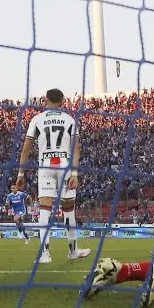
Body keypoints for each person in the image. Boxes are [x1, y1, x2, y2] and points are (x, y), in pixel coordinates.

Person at [17, 89, 91, 264]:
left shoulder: (37, 120)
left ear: (45, 101)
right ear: (63, 102)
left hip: (45, 166)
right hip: (64, 166)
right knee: (69, 209)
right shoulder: (70, 120)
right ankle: (73, 251)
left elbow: (26, 148)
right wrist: (75, 174)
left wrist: (21, 173)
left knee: (44, 210)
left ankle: (45, 254)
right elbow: (76, 149)